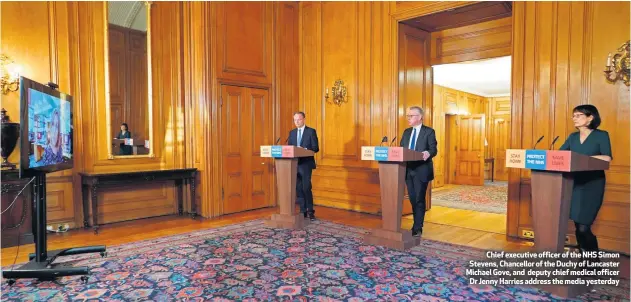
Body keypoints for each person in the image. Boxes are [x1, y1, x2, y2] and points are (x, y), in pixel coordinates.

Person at [559, 104, 612, 254]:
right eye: (573, 115)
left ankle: (593, 262)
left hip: (593, 185)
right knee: (578, 225)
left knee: (584, 226)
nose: (574, 118)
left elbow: (606, 157)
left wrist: (581, 159)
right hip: (574, 184)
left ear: (590, 118)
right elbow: (561, 155)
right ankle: (585, 259)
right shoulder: (572, 137)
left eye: (578, 115)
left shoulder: (601, 135)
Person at [400, 106, 437, 237]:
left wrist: (427, 152)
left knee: (419, 199)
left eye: (411, 116)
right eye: (408, 116)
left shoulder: (429, 132)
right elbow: (401, 150)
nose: (408, 118)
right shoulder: (406, 132)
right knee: (413, 198)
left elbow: (433, 150)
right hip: (407, 170)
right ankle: (416, 223)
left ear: (420, 117)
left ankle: (417, 227)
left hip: (421, 170)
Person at [287, 111, 319, 220]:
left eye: (299, 119)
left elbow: (316, 148)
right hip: (294, 164)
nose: (297, 122)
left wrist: (304, 150)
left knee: (306, 187)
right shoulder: (292, 133)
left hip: (306, 164)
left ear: (304, 119)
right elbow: (289, 149)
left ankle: (310, 210)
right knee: (298, 188)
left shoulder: (311, 132)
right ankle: (302, 210)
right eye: (295, 120)